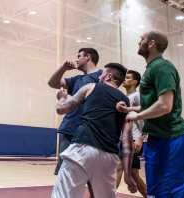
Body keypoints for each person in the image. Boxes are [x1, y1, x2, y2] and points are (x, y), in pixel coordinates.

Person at [51, 63, 137, 198]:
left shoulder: (91, 87)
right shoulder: (126, 102)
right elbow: (127, 140)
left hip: (82, 149)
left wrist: (61, 97)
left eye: (102, 74)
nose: (99, 76)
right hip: (109, 157)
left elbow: (61, 109)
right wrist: (127, 173)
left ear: (108, 76)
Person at [119, 31, 184, 197]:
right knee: (154, 190)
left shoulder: (162, 67)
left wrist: (137, 116)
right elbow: (152, 105)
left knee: (170, 189)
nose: (138, 42)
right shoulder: (151, 69)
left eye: (142, 39)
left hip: (171, 139)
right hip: (156, 139)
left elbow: (165, 106)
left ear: (152, 43)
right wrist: (130, 110)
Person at [48, 48, 102, 175]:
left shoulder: (101, 76)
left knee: (87, 174)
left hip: (89, 132)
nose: (76, 59)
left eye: (79, 56)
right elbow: (52, 83)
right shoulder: (76, 79)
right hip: (69, 129)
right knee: (64, 172)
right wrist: (63, 68)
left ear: (88, 57)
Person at [116, 70, 147, 198]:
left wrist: (140, 138)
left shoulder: (137, 96)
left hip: (133, 139)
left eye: (128, 78)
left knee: (119, 168)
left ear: (135, 81)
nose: (124, 79)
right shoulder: (124, 97)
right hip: (123, 139)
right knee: (133, 173)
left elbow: (146, 118)